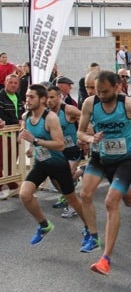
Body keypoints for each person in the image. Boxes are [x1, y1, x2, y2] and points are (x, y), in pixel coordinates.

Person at [77, 71, 131, 275]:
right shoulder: (90, 104)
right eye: (97, 91)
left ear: (117, 87)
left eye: (105, 91)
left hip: (126, 159)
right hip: (101, 157)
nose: (100, 95)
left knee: (111, 202)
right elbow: (80, 132)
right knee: (88, 194)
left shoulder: (128, 104)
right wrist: (90, 139)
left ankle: (105, 259)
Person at [17, 84, 89, 247]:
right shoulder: (26, 116)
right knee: (25, 195)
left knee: (72, 200)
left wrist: (35, 141)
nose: (27, 100)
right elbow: (31, 134)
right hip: (41, 164)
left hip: (58, 164)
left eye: (31, 97)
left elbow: (59, 145)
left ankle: (90, 228)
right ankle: (44, 225)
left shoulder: (51, 118)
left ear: (42, 99)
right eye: (27, 96)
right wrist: (30, 147)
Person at [46, 85, 84, 218]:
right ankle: (66, 194)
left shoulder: (68, 109)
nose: (49, 100)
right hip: (58, 151)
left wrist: (83, 135)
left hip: (73, 149)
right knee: (53, 177)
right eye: (47, 97)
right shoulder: (46, 113)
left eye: (52, 97)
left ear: (59, 97)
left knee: (66, 176)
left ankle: (72, 206)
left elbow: (84, 118)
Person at [0, 74, 25, 198]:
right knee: (0, 161)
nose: (14, 85)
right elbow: (2, 115)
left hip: (15, 133)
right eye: (11, 82)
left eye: (16, 83)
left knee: (11, 160)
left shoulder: (17, 96)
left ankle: (11, 184)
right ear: (5, 83)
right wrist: (17, 122)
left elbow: (21, 113)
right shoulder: (1, 96)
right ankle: (2, 186)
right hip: (2, 134)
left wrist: (21, 120)